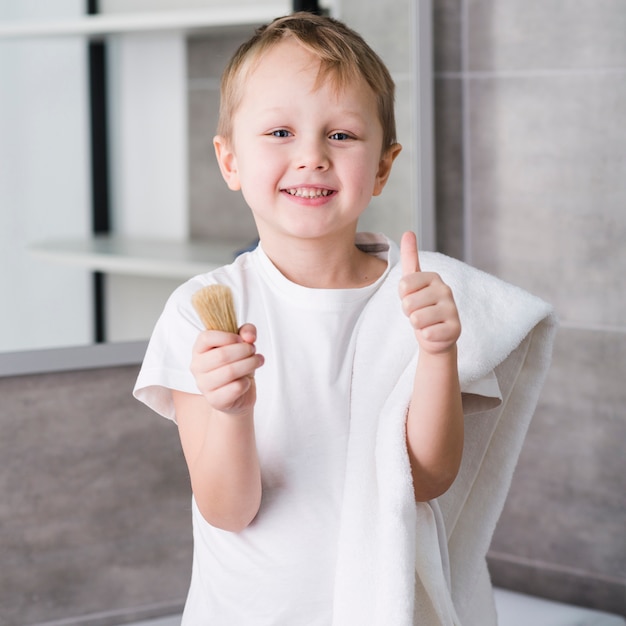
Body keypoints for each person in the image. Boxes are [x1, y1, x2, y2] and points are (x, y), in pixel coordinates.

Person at [134, 12, 498, 625]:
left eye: (342, 136)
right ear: (230, 161)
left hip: (386, 605)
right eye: (279, 132)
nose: (310, 157)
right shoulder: (205, 313)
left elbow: (427, 480)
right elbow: (228, 509)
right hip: (254, 610)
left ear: (383, 165)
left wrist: (438, 353)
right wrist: (232, 412)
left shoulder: (421, 299)